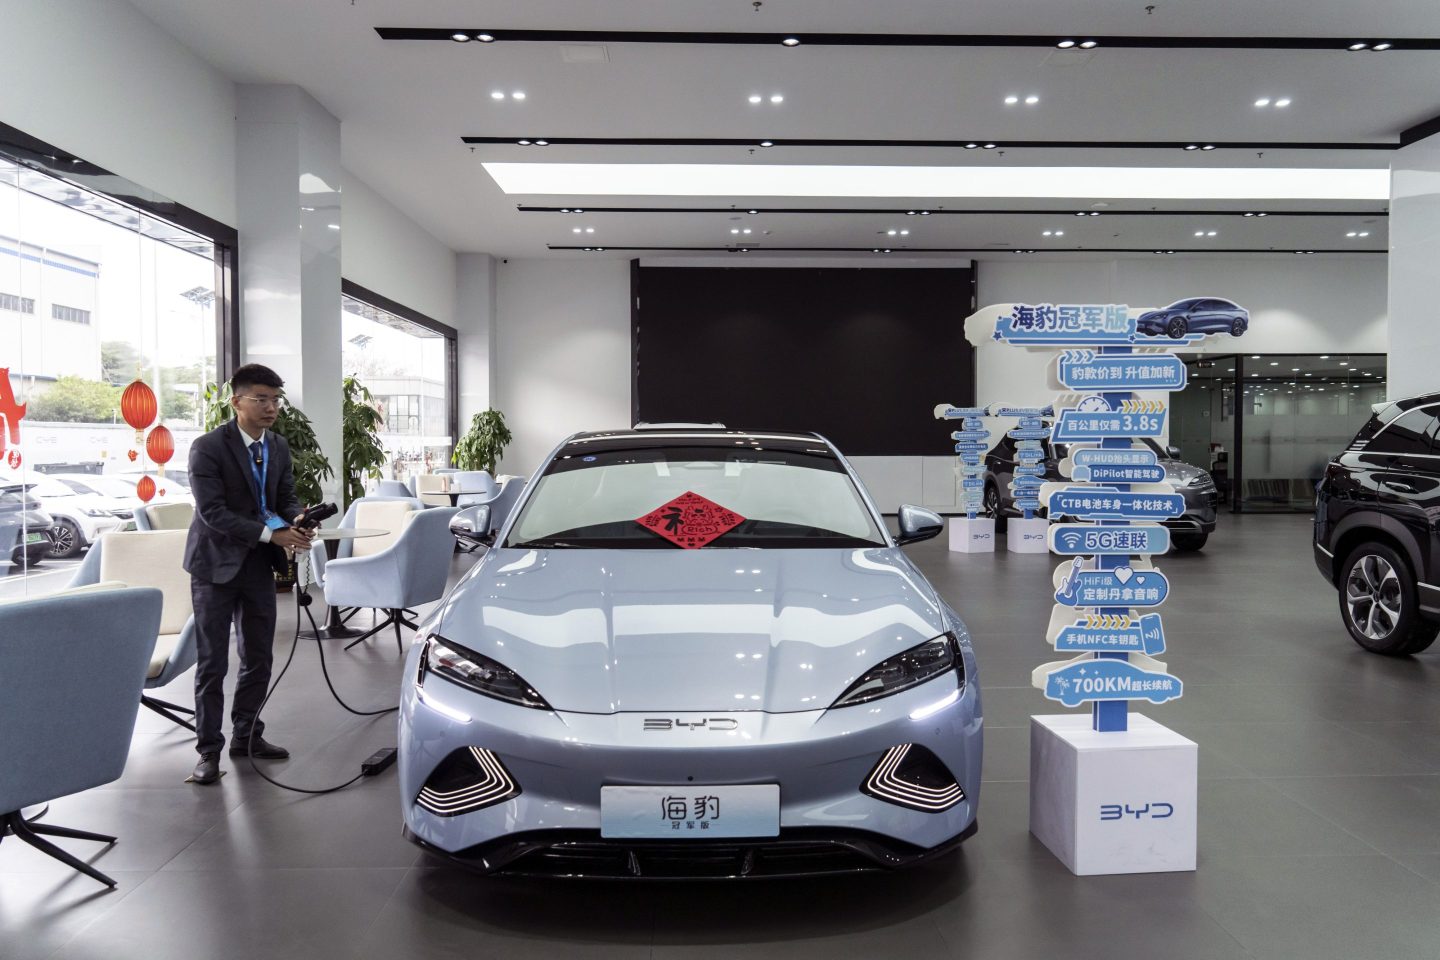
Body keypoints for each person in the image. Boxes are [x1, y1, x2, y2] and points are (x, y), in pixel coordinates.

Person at [183, 364, 313, 785]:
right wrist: (270, 535)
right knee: (212, 663)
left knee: (258, 656)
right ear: (236, 401)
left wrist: (297, 518)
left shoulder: (277, 445)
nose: (270, 406)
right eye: (261, 399)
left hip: (258, 565)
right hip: (214, 566)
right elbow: (213, 512)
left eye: (275, 399)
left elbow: (285, 496)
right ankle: (207, 752)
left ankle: (247, 735)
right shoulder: (207, 448)